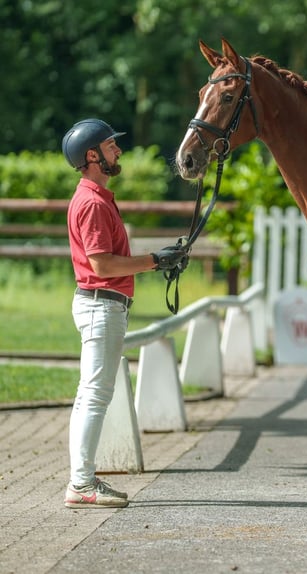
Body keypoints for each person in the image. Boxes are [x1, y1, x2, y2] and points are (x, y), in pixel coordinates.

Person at [61, 118, 188, 508]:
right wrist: (154, 261)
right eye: (111, 144)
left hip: (102, 305)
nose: (118, 149)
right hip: (102, 305)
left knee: (90, 395)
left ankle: (82, 480)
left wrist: (156, 261)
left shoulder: (97, 198)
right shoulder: (94, 204)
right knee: (95, 396)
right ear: (92, 156)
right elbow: (102, 265)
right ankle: (81, 485)